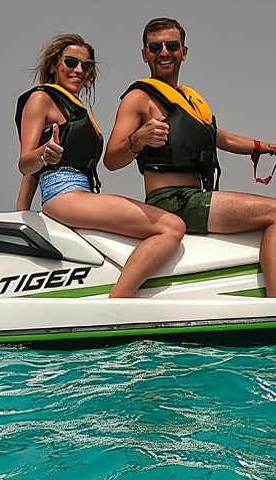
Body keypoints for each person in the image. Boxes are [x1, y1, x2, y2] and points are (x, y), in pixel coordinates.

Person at [104, 18, 276, 298]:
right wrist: (138, 139)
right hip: (172, 201)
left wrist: (267, 147)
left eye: (172, 45)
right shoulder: (138, 98)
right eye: (155, 47)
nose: (164, 52)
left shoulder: (190, 100)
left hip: (195, 196)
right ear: (145, 54)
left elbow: (221, 137)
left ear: (184, 51)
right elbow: (111, 158)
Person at [15, 33, 185, 298]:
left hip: (83, 194)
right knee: (172, 227)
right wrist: (43, 155)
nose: (79, 70)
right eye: (71, 62)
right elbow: (26, 165)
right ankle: (119, 303)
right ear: (53, 65)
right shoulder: (41, 99)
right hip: (63, 194)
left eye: (87, 65)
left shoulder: (76, 107)